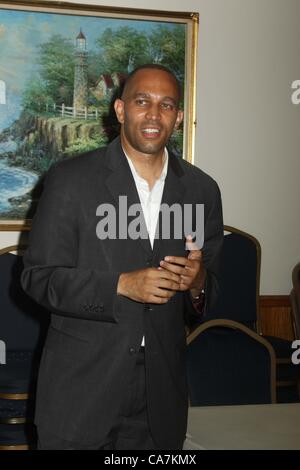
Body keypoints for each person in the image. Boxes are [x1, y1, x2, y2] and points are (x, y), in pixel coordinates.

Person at [21, 64, 223, 450]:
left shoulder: (202, 190)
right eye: (141, 101)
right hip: (79, 394)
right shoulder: (70, 180)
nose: (153, 114)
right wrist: (121, 286)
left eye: (166, 105)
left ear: (178, 117)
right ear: (120, 110)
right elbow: (37, 278)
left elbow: (210, 291)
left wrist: (197, 284)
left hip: (159, 399)